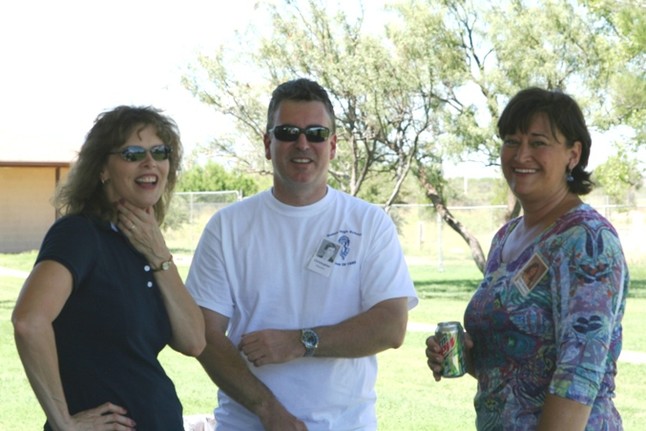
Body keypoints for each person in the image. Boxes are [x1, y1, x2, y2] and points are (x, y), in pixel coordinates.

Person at [185, 77, 419, 430]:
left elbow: (391, 326)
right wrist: (268, 410)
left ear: (333, 145)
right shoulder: (227, 227)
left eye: (316, 133)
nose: (303, 143)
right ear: (268, 144)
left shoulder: (369, 223)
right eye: (288, 132)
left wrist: (300, 342)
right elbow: (205, 335)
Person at [425, 87, 629, 430]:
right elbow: (513, 367)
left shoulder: (586, 239)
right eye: (511, 141)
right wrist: (465, 355)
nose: (521, 155)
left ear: (573, 154)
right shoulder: (505, 238)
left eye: (538, 143)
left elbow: (579, 376)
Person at [12, 106, 206, 430]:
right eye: (133, 154)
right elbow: (29, 321)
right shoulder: (80, 233)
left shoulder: (143, 245)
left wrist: (159, 255)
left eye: (160, 152)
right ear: (102, 168)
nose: (150, 162)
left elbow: (194, 341)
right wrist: (64, 423)